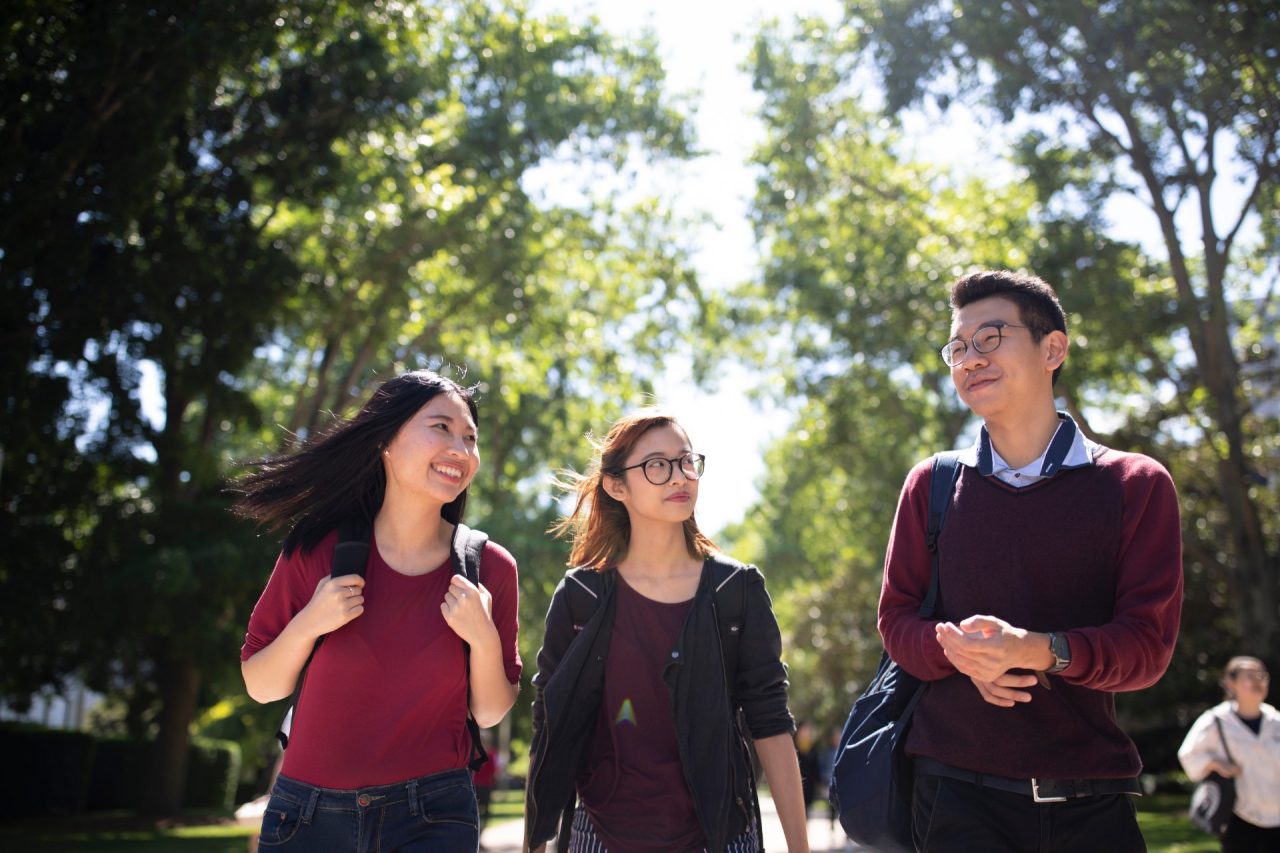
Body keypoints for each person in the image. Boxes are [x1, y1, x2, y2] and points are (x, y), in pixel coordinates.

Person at [878, 270, 1184, 852]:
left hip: (1093, 800)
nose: (970, 358)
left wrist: (1040, 650)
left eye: (991, 337)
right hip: (954, 798)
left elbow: (1147, 649)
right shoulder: (930, 484)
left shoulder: (1136, 484)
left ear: (1053, 349)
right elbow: (895, 622)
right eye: (958, 347)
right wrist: (962, 653)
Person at [232, 370, 522, 852]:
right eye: (441, 427)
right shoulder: (316, 549)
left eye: (470, 438)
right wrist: (310, 623)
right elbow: (262, 686)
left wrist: (483, 638)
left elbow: (490, 711)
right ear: (385, 440)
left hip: (433, 816)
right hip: (307, 816)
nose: (461, 449)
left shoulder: (489, 568)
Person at [524, 410, 810, 853]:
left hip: (722, 835)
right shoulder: (581, 595)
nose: (679, 476)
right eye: (656, 465)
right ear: (617, 486)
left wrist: (799, 848)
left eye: (686, 461)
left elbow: (770, 721)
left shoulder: (736, 590)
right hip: (600, 835)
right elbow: (549, 727)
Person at [1178, 656, 1280, 852]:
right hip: (1240, 817)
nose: (1258, 682)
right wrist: (1215, 764)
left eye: (1262, 676)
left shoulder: (1276, 721)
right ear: (1231, 683)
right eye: (1250, 676)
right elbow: (1188, 755)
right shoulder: (1216, 721)